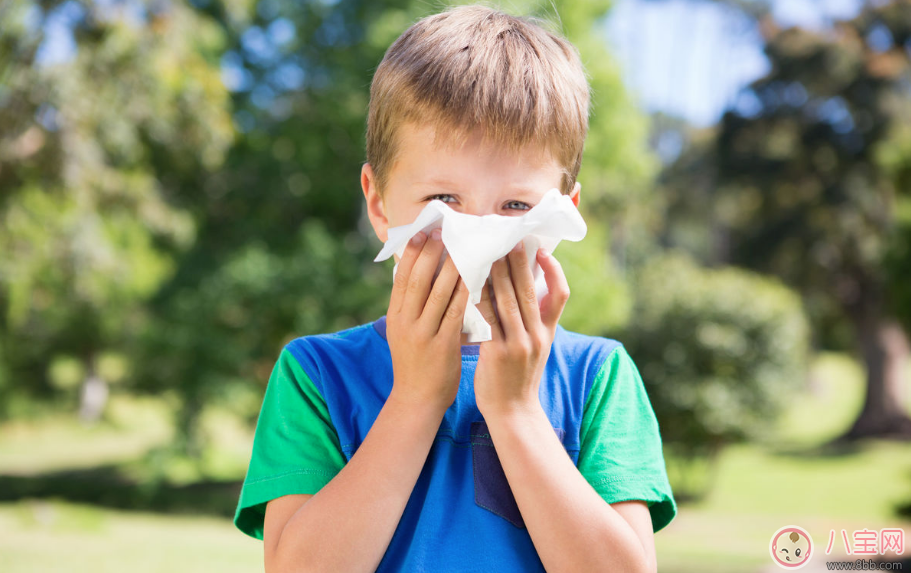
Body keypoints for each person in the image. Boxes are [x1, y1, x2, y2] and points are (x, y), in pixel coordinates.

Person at [233, 5, 676, 572]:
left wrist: (516, 410)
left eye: (516, 206)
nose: (480, 235)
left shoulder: (597, 378)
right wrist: (415, 398)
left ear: (564, 215)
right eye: (443, 201)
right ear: (379, 203)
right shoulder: (318, 375)